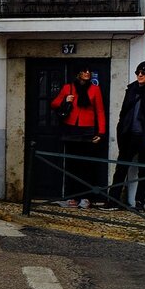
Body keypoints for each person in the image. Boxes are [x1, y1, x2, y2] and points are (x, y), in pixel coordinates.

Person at [104, 61, 145, 212]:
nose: (140, 75)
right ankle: (113, 201)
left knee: (144, 170)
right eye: (138, 72)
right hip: (127, 136)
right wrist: (120, 129)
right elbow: (123, 111)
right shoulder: (131, 89)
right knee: (121, 168)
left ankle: (139, 202)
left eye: (143, 73)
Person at [50, 63, 107, 209]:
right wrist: (65, 100)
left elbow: (100, 111)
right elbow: (54, 104)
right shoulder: (68, 88)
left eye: (89, 70)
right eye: (84, 70)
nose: (87, 73)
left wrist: (101, 132)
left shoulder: (95, 89)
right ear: (78, 73)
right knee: (71, 165)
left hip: (87, 130)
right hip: (70, 129)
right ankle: (72, 198)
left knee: (86, 165)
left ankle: (86, 197)